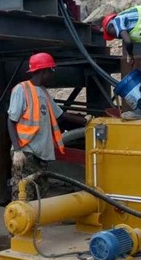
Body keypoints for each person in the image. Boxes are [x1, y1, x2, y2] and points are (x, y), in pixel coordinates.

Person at [7, 52, 84, 200]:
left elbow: (60, 115)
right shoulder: (21, 90)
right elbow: (11, 121)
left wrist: (85, 120)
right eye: (51, 70)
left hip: (40, 153)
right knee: (24, 196)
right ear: (43, 71)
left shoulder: (43, 92)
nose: (53, 75)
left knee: (40, 196)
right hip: (26, 151)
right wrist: (17, 150)